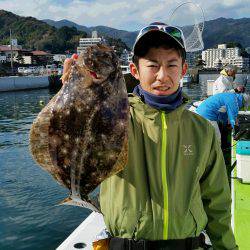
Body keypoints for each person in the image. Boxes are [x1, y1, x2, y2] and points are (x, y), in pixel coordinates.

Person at [62, 22, 238, 250]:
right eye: (153, 65)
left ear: (183, 69)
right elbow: (76, 147)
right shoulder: (109, 121)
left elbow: (217, 202)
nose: (162, 76)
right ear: (135, 71)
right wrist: (72, 98)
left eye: (171, 65)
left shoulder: (202, 130)